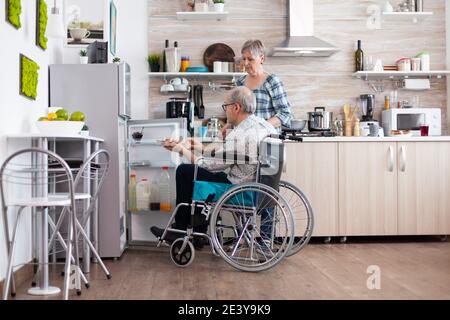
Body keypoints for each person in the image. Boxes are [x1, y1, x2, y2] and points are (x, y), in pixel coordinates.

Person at [150, 87, 277, 246]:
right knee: (197, 174)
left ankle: (181, 231)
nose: (225, 111)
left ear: (236, 107)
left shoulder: (241, 134)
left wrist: (181, 150)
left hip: (238, 189)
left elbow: (208, 165)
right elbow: (225, 156)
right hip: (256, 186)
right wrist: (199, 147)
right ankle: (197, 232)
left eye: (226, 106)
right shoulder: (263, 126)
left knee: (185, 171)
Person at [221, 40, 293, 137]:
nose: (245, 63)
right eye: (244, 58)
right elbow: (237, 112)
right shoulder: (240, 82)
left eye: (250, 59)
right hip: (244, 140)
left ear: (261, 58)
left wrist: (259, 127)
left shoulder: (272, 81)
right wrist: (228, 126)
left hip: (267, 139)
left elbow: (285, 114)